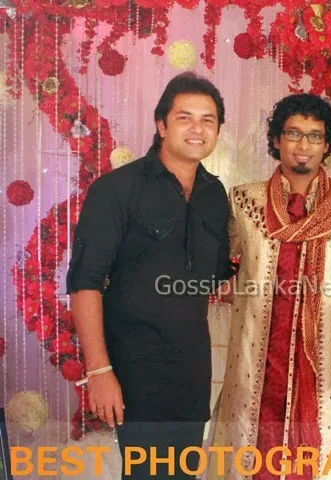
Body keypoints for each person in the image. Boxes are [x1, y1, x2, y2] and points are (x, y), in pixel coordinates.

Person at [67, 72, 232, 479]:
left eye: (208, 120)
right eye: (184, 118)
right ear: (161, 125)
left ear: (217, 130)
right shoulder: (116, 190)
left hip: (192, 372)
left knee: (183, 474)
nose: (197, 129)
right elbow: (85, 282)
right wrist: (99, 371)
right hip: (134, 370)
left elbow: (214, 278)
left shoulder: (215, 194)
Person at [209, 93, 331, 480]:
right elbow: (224, 268)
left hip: (324, 357)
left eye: (315, 136)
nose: (303, 145)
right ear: (277, 139)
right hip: (257, 358)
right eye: (294, 133)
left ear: (327, 145)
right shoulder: (243, 201)